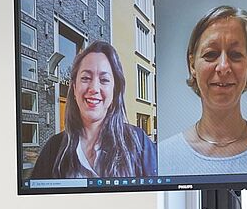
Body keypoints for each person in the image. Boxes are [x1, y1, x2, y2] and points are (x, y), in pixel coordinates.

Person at [157, 5, 247, 175]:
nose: (223, 67)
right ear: (192, 65)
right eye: (210, 54)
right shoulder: (161, 159)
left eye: (235, 54)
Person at [30, 41, 157, 179]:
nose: (94, 89)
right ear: (74, 88)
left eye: (104, 80)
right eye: (85, 78)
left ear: (115, 90)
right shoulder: (53, 149)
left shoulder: (138, 143)